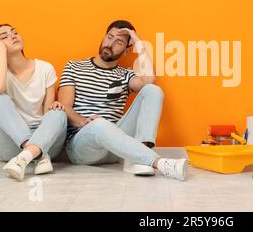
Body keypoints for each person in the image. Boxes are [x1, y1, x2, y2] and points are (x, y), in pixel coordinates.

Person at [58, 20, 188, 181]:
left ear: (127, 50)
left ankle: (141, 155)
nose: (110, 44)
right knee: (100, 124)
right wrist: (87, 122)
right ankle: (158, 162)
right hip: (83, 147)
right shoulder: (74, 67)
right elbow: (63, 107)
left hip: (116, 148)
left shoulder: (125, 75)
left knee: (153, 90)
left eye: (118, 42)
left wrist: (138, 42)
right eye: (109, 37)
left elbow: (149, 79)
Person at [0, 24, 67, 181]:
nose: (13, 36)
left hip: (44, 140)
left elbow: (47, 113)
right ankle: (34, 153)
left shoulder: (45, 68)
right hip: (10, 145)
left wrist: (54, 109)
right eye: (4, 37)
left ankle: (25, 157)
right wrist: (2, 51)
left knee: (59, 113)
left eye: (15, 32)